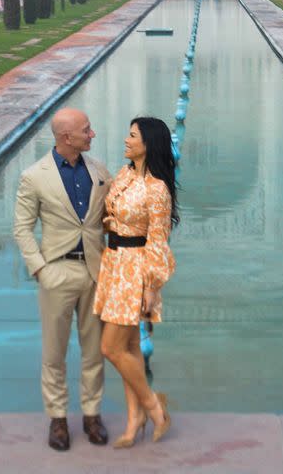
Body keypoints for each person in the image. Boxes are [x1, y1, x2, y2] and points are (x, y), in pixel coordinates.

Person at [13, 109, 112, 453]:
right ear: (66, 137)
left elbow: (111, 217)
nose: (93, 134)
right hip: (57, 272)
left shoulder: (98, 170)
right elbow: (22, 228)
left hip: (95, 271)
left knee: (94, 350)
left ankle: (91, 414)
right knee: (54, 352)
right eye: (86, 130)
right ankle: (57, 418)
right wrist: (40, 268)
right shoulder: (34, 176)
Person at [95, 117, 178, 448]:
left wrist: (152, 286)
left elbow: (158, 240)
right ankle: (134, 421)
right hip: (113, 262)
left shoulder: (157, 189)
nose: (126, 140)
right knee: (127, 348)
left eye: (132, 136)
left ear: (149, 143)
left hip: (136, 268)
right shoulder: (125, 174)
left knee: (110, 347)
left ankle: (154, 406)